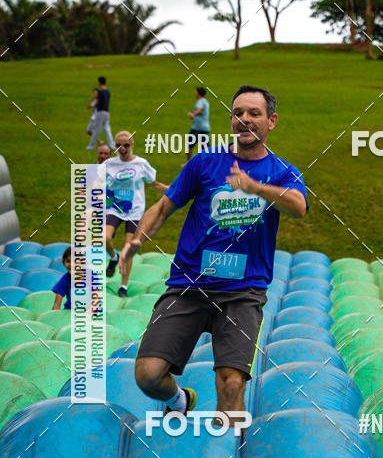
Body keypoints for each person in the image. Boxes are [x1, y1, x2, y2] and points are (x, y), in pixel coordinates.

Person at [120, 84, 308, 421]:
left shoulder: (282, 171)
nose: (244, 120)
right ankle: (179, 400)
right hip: (188, 285)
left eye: (254, 113)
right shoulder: (205, 162)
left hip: (243, 291)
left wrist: (255, 187)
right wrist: (137, 239)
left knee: (231, 383)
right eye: (238, 113)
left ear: (272, 121)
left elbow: (298, 207)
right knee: (147, 376)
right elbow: (163, 207)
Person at [105, 131, 168, 297]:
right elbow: (99, 184)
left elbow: (153, 183)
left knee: (130, 247)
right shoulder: (110, 164)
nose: (123, 148)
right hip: (115, 208)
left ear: (132, 145)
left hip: (134, 210)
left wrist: (170, 189)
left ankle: (123, 286)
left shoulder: (141, 164)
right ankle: (113, 257)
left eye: (126, 145)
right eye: (119, 145)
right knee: (105, 238)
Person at [86, 76, 115, 150]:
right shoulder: (108, 91)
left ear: (99, 82)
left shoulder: (100, 91)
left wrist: (93, 106)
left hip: (100, 112)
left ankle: (91, 146)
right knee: (107, 129)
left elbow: (98, 101)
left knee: (96, 130)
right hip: (106, 112)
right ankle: (112, 146)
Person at [185, 86, 210, 164]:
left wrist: (193, 114)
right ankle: (210, 162)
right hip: (205, 128)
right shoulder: (206, 101)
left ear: (198, 93)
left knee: (189, 145)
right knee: (206, 147)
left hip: (197, 128)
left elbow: (199, 109)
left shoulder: (200, 102)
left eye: (196, 92)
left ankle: (188, 163)